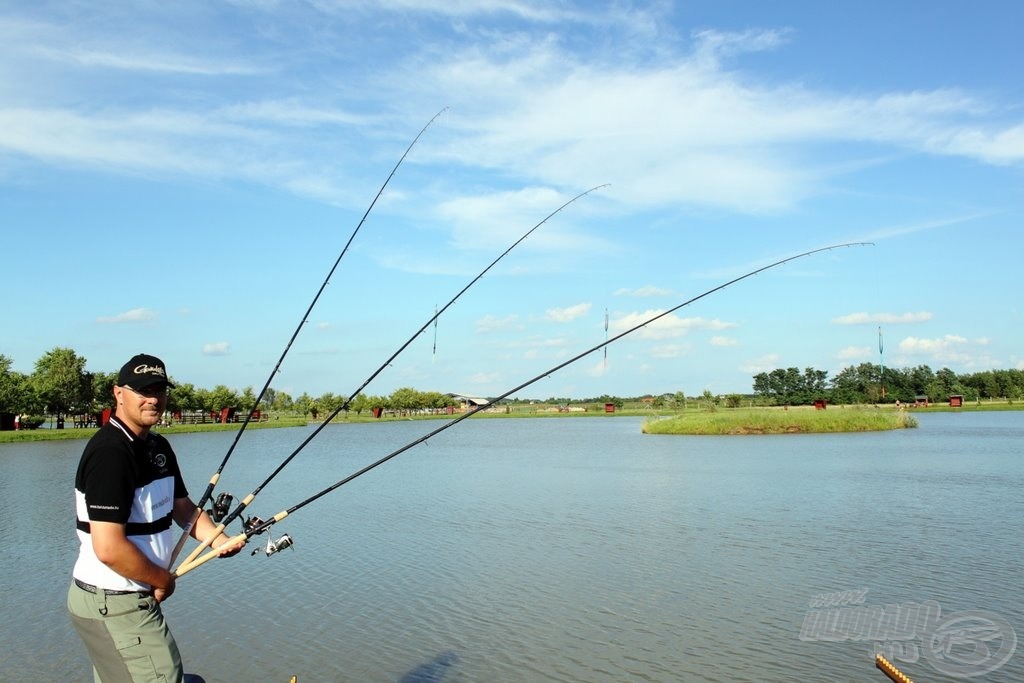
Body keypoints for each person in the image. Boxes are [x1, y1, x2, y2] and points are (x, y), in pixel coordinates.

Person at [68, 353, 244, 682]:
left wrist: (217, 539)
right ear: (118, 393)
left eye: (160, 390)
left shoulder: (157, 446)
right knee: (165, 675)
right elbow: (108, 548)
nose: (153, 399)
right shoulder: (111, 454)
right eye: (143, 390)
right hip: (114, 599)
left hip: (127, 595)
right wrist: (162, 579)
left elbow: (183, 508)